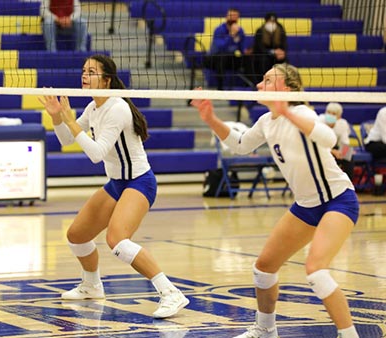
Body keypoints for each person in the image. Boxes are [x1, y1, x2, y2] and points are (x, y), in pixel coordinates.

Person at [192, 63, 360, 338]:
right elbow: (240, 144)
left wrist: (287, 113)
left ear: (287, 89)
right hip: (306, 206)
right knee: (264, 269)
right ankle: (265, 329)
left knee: (316, 271)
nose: (259, 85)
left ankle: (349, 334)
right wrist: (210, 117)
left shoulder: (302, 112)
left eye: (268, 80)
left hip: (338, 200)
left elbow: (329, 138)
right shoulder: (266, 122)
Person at [38, 54, 189, 319]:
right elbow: (64, 140)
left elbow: (96, 153)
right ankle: (91, 285)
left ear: (106, 80)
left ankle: (170, 293)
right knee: (77, 235)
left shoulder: (117, 108)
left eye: (92, 72)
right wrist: (57, 118)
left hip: (140, 182)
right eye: (84, 70)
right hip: (117, 183)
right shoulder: (93, 108)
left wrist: (70, 121)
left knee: (117, 240)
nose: (85, 75)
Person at [205, 8, 246, 90]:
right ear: (226, 17)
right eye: (231, 15)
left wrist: (246, 51)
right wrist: (231, 35)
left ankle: (250, 86)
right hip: (214, 58)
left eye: (235, 16)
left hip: (231, 58)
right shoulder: (219, 30)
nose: (233, 18)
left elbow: (242, 48)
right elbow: (220, 47)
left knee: (251, 57)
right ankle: (220, 87)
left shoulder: (240, 31)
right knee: (222, 57)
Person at [246, 12, 287, 84]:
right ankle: (263, 82)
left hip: (276, 56)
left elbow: (284, 45)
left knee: (283, 60)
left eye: (273, 21)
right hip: (263, 55)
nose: (271, 23)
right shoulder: (260, 31)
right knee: (263, 60)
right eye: (270, 21)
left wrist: (281, 52)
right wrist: (271, 52)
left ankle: (281, 82)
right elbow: (258, 48)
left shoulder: (280, 30)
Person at [319, 102, 354, 180]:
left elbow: (345, 142)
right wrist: (331, 151)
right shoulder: (319, 121)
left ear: (339, 117)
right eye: (328, 112)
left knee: (349, 155)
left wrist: (343, 152)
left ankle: (349, 184)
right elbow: (317, 143)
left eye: (334, 113)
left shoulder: (343, 123)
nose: (330, 115)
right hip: (320, 148)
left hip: (335, 147)